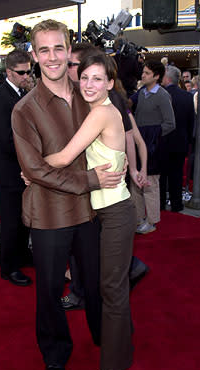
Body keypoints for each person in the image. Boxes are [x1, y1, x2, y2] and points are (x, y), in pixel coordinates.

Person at [12, 19, 124, 370]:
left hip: (92, 210)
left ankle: (103, 338)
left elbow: (119, 127)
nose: (53, 57)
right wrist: (90, 179)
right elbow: (35, 169)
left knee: (94, 284)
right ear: (34, 56)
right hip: (48, 214)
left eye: (58, 48)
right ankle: (55, 354)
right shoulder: (24, 110)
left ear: (68, 47)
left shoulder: (88, 93)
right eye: (44, 50)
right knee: (48, 291)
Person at [44, 52, 136, 370]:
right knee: (110, 284)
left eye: (97, 78)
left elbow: (67, 155)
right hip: (102, 210)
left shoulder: (102, 113)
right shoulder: (98, 110)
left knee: (110, 287)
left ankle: (113, 361)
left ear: (111, 83)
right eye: (84, 77)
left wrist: (33, 169)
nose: (88, 84)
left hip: (115, 212)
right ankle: (122, 345)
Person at [61, 43, 148, 311]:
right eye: (79, 71)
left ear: (109, 82)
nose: (76, 73)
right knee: (102, 265)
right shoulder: (83, 100)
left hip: (107, 199)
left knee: (110, 277)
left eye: (79, 66)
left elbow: (130, 137)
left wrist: (133, 169)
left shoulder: (107, 105)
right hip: (94, 198)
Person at [0, 49, 33, 287]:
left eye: (29, 71)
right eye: (22, 72)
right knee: (11, 220)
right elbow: (5, 139)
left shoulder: (19, 93)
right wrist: (32, 149)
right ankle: (9, 267)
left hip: (22, 169)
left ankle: (23, 255)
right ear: (9, 72)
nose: (27, 75)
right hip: (10, 171)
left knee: (24, 218)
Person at [130, 60, 175, 234]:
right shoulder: (141, 93)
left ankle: (152, 221)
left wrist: (152, 136)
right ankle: (139, 219)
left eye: (147, 73)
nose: (143, 75)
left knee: (151, 185)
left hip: (154, 148)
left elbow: (170, 123)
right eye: (143, 72)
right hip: (139, 146)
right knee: (136, 184)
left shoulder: (162, 95)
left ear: (156, 76)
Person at [161, 65, 195, 212]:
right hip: (180, 142)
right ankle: (176, 204)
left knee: (161, 177)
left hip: (161, 142)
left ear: (166, 78)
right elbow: (191, 122)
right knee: (176, 175)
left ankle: (160, 204)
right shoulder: (187, 97)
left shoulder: (158, 95)